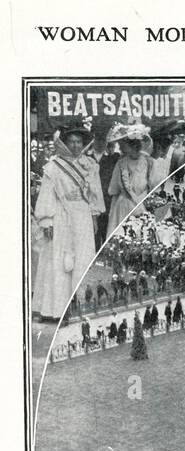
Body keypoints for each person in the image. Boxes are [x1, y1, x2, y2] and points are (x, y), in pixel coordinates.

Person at [32, 124, 104, 321]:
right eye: (71, 141)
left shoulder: (90, 165)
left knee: (80, 260)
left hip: (82, 217)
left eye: (79, 142)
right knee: (57, 263)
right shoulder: (54, 166)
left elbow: (95, 193)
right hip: (61, 216)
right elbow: (47, 194)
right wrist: (47, 221)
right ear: (64, 143)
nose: (75, 145)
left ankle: (76, 306)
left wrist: (94, 216)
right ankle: (53, 310)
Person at [106, 125, 158, 237]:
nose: (120, 148)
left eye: (122, 145)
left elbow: (155, 187)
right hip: (123, 208)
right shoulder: (121, 163)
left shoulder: (150, 163)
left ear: (132, 145)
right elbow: (114, 190)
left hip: (143, 206)